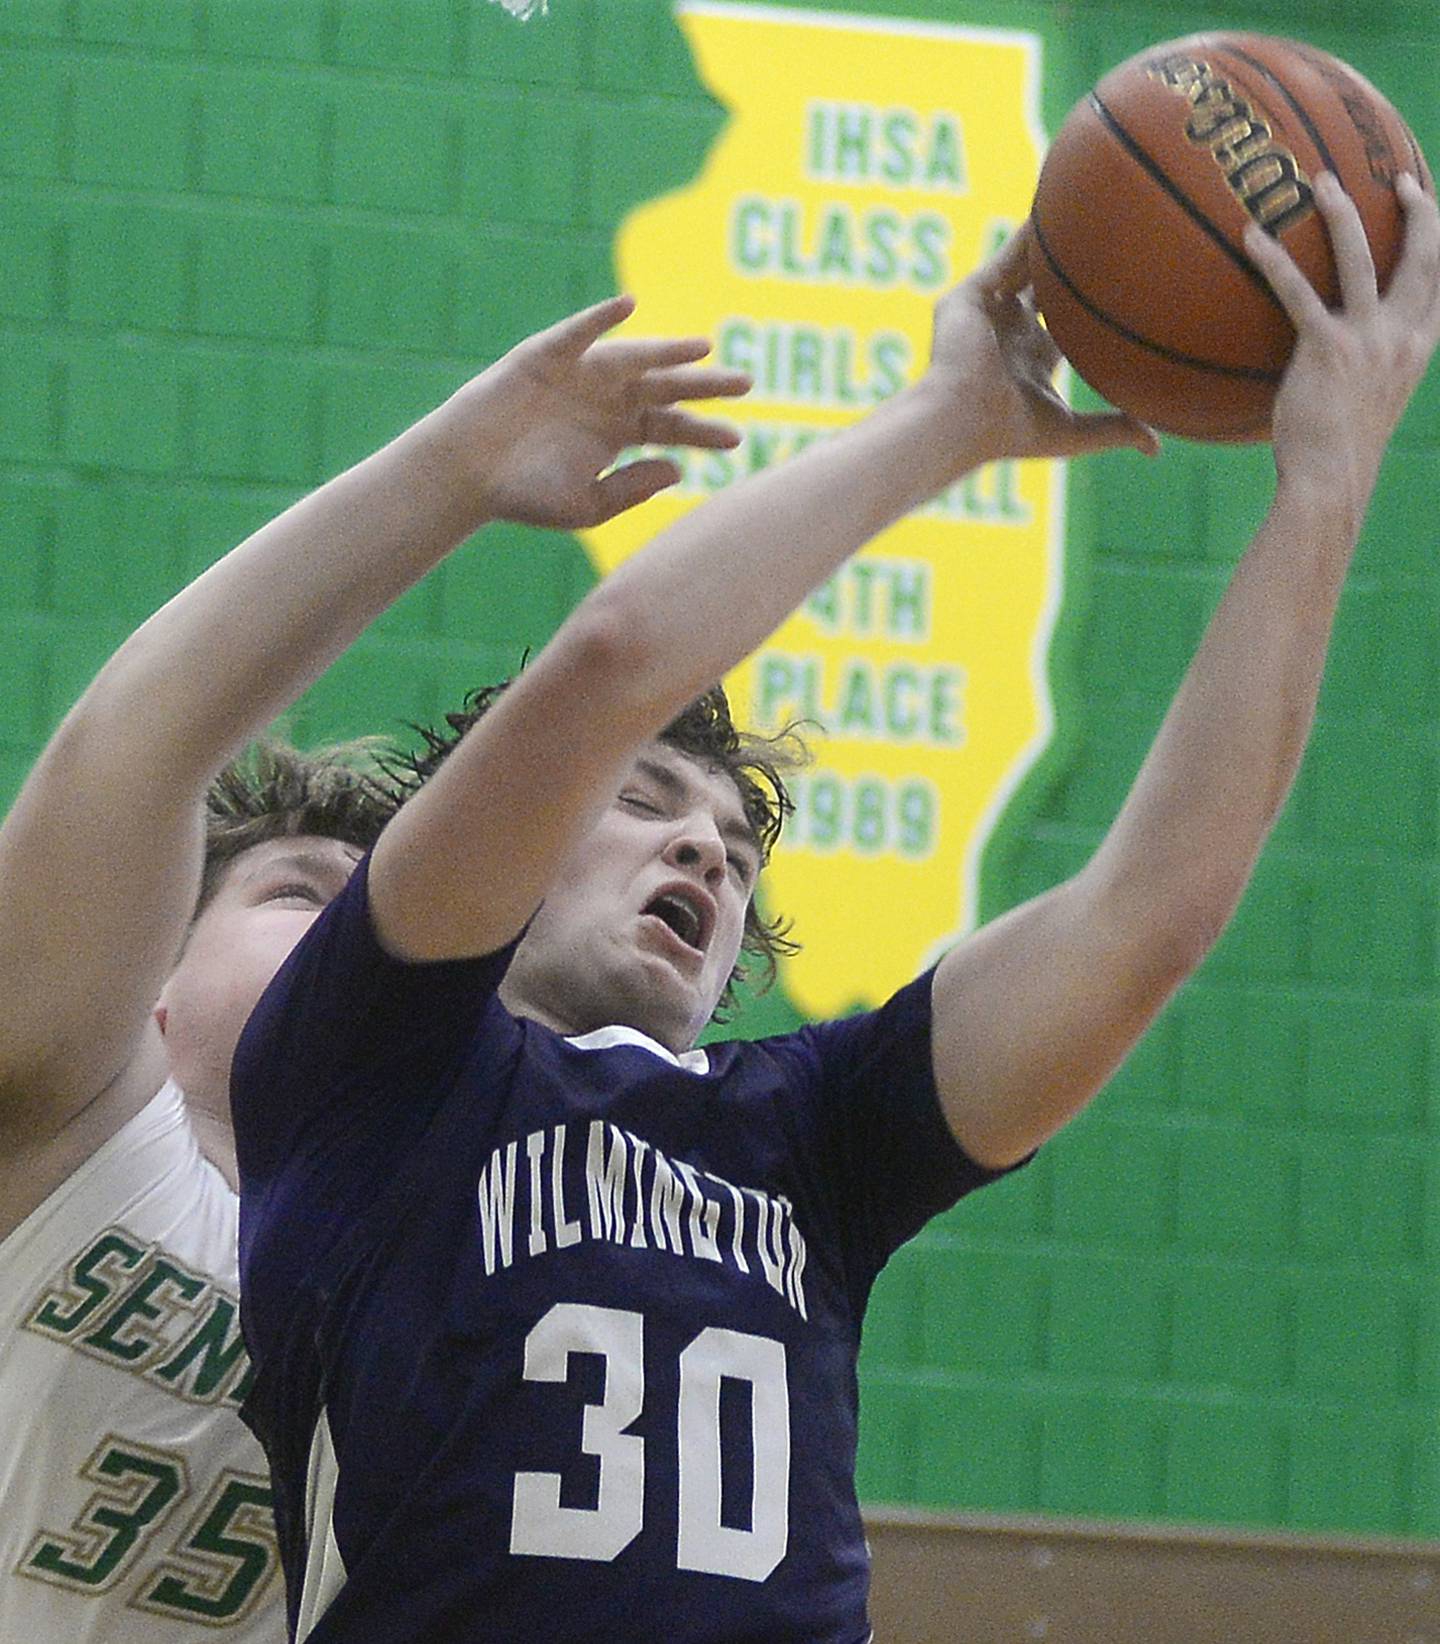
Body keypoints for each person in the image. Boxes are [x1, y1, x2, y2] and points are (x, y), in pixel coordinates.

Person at [232, 174, 1440, 1644]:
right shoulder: (370, 1062)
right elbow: (610, 658)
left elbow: (1151, 913)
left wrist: (1326, 484)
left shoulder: (810, 1137)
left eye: (735, 854)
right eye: (643, 804)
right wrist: (950, 425)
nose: (704, 858)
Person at [0, 297, 749, 1642]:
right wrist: (457, 475)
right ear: (154, 974)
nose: (347, 949)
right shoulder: (86, 1132)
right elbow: (141, 742)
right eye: (301, 896)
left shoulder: (511, 1267)